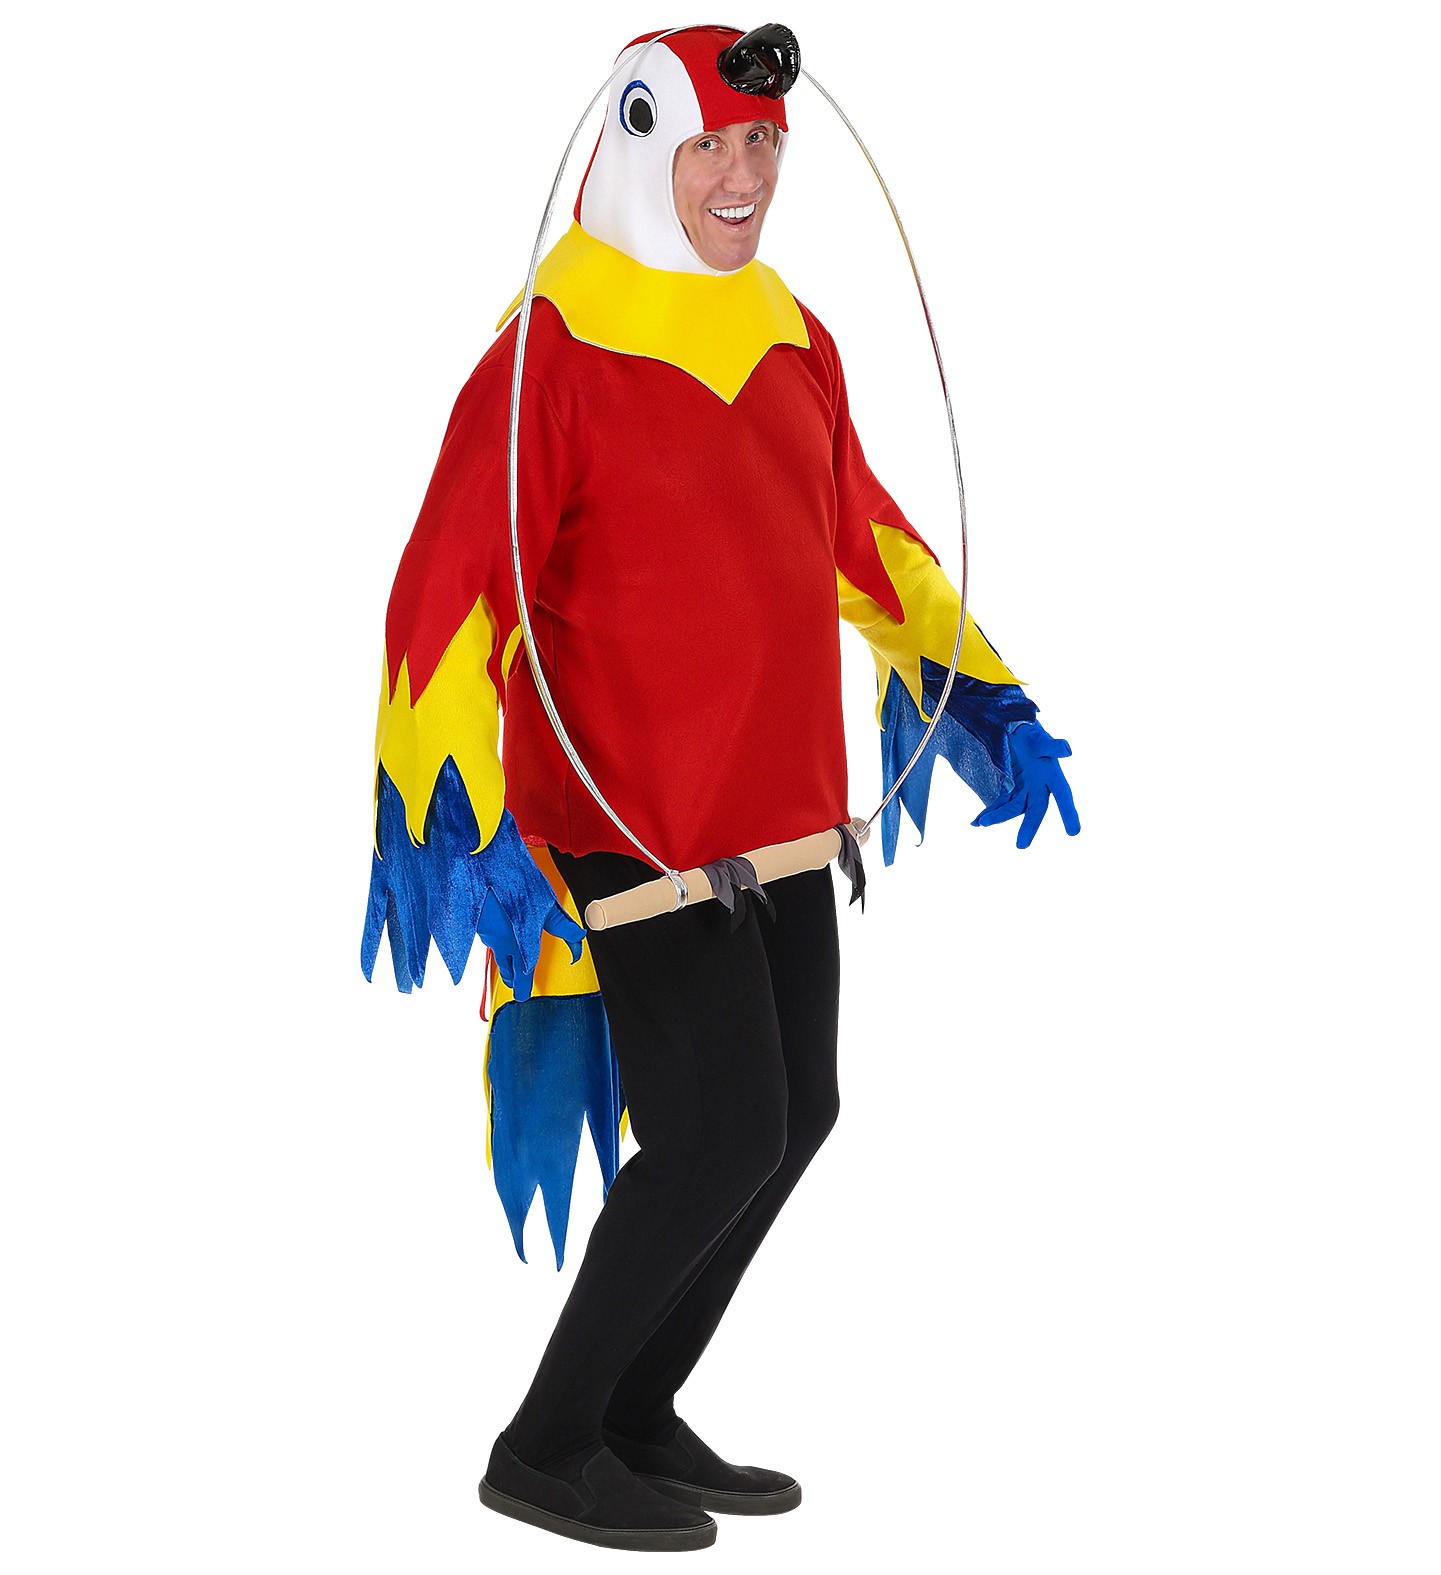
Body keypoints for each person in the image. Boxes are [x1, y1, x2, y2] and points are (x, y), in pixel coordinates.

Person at [361, 23, 1079, 1553]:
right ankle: (543, 1445)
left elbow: (857, 534)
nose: (745, 174)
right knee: (716, 1131)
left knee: (794, 1111)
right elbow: (444, 600)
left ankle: (634, 1410)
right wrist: (448, 814)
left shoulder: (788, 333)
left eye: (763, 144)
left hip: (780, 810)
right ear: (643, 148)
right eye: (712, 145)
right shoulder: (552, 351)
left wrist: (974, 684)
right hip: (630, 820)